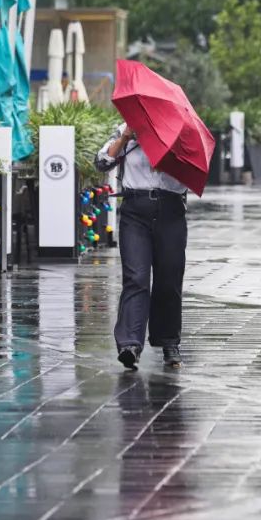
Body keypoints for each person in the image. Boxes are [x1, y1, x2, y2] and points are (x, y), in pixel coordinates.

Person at [96, 123, 189, 370]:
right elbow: (102, 162)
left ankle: (169, 342)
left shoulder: (182, 133)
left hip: (171, 211)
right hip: (135, 212)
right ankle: (129, 345)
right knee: (135, 277)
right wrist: (126, 137)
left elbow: (196, 172)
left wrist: (170, 160)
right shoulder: (127, 130)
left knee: (168, 278)